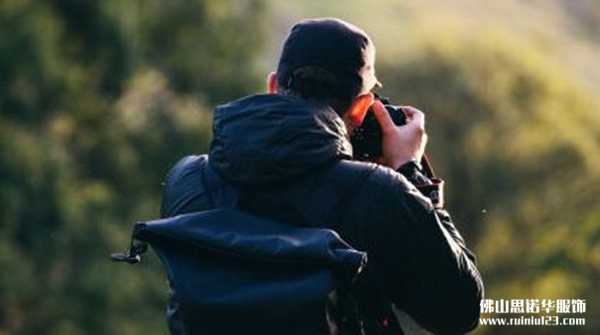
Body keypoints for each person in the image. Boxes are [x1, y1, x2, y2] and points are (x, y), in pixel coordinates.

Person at [161, 18, 484, 334]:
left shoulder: (188, 180)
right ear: (361, 109)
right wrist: (410, 173)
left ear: (273, 86)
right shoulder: (378, 195)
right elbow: (459, 312)